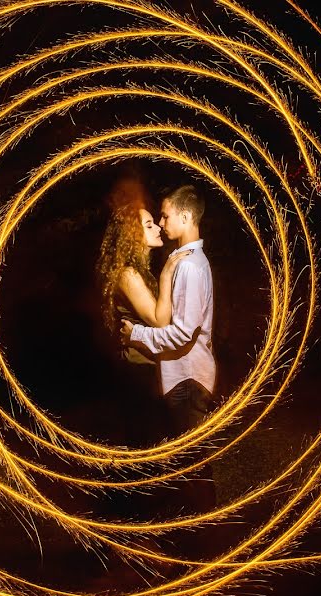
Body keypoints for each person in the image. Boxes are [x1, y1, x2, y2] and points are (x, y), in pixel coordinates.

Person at [119, 183, 217, 513]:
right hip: (182, 378)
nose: (162, 223)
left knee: (192, 469)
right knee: (184, 467)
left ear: (186, 216)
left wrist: (137, 336)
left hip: (187, 379)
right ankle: (192, 538)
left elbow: (181, 334)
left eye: (165, 215)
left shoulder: (188, 265)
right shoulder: (183, 261)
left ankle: (204, 542)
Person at [95, 172, 190, 449]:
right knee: (149, 442)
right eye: (149, 225)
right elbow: (161, 321)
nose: (158, 227)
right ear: (133, 234)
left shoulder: (139, 271)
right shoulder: (127, 275)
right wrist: (168, 273)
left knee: (159, 441)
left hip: (150, 366)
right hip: (140, 372)